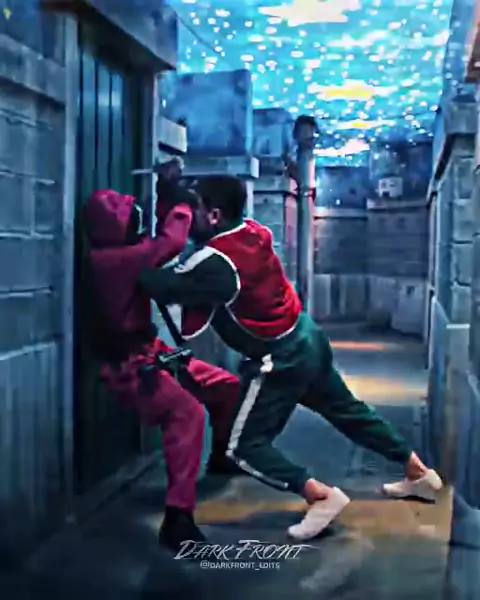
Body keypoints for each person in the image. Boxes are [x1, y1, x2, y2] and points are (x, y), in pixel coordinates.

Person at [138, 174, 443, 542]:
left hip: (280, 356)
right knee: (348, 411)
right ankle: (419, 473)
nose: (191, 217)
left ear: (215, 215)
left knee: (243, 446)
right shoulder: (253, 231)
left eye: (195, 210)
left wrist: (151, 239)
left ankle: (319, 495)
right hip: (306, 335)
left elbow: (156, 283)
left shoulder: (216, 261)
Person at [83, 177, 239, 553]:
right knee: (187, 413)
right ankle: (177, 518)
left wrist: (168, 196)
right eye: (131, 220)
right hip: (130, 365)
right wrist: (181, 203)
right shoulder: (116, 260)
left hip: (151, 352)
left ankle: (220, 457)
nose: (138, 225)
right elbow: (170, 243)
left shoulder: (120, 255)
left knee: (227, 386)